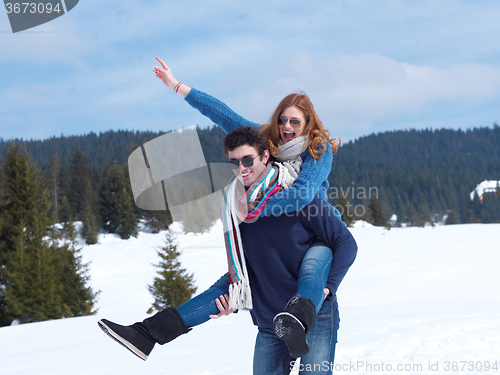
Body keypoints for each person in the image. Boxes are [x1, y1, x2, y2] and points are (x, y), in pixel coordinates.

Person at [99, 127, 357, 374]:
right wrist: (234, 300)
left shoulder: (299, 196)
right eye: (235, 162)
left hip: (314, 315)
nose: (241, 168)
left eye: (247, 159)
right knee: (224, 287)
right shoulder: (235, 209)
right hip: (269, 320)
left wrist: (328, 287)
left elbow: (345, 243)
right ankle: (147, 334)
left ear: (265, 155)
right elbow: (247, 267)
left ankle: (148, 333)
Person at [152, 58, 344, 357]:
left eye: (295, 121)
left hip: (314, 232)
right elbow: (222, 114)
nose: (286, 126)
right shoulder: (266, 141)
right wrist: (177, 86)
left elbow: (302, 195)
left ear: (307, 123)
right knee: (233, 280)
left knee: (310, 271)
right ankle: (152, 331)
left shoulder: (317, 150)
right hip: (278, 235)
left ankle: (300, 318)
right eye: (282, 119)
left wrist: (256, 208)